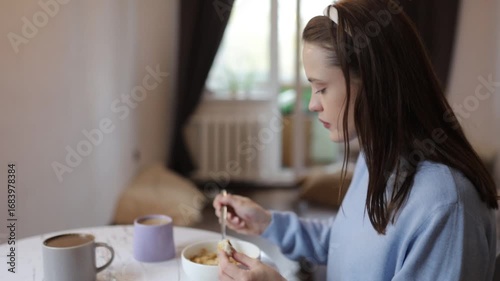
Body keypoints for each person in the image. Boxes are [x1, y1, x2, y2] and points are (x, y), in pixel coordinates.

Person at [213, 0, 498, 280]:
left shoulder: (447, 208)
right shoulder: (377, 157)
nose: (313, 105)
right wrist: (267, 222)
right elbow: (344, 245)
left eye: (321, 88)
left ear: (375, 85)